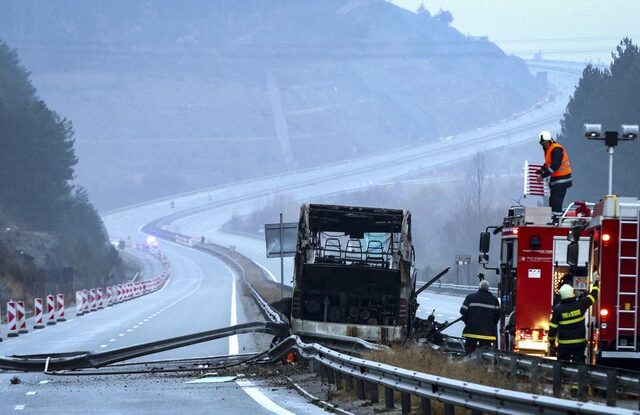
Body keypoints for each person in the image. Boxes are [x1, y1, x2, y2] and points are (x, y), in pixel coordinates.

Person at [548, 279, 599, 363]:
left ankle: (563, 376)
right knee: (579, 364)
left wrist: (552, 342)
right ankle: (579, 376)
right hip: (579, 343)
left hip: (564, 344)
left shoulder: (558, 309)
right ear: (572, 293)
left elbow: (553, 328)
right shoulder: (581, 304)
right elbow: (593, 296)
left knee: (562, 365)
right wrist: (596, 284)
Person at [537, 130, 572, 223]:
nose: (543, 145)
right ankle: (554, 218)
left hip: (562, 179)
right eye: (542, 143)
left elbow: (554, 166)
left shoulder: (556, 149)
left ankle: (558, 220)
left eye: (544, 143)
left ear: (549, 141)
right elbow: (549, 163)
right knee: (552, 200)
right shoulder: (549, 149)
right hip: (557, 179)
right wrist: (542, 169)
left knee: (557, 200)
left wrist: (542, 176)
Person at [460, 280, 501, 354]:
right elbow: (498, 315)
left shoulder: (470, 297)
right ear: (488, 288)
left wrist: (468, 320)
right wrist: (491, 325)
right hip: (487, 333)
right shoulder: (494, 300)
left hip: (471, 331)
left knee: (469, 352)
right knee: (485, 354)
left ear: (479, 287)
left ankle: (468, 364)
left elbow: (463, 311)